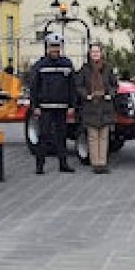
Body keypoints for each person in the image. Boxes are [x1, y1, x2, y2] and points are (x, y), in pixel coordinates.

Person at [29, 32, 76, 174]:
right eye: (52, 46)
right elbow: (34, 87)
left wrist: (72, 105)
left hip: (62, 107)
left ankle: (63, 164)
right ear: (47, 47)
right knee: (43, 136)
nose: (54, 50)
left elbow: (72, 87)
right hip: (45, 108)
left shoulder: (67, 64)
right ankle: (40, 165)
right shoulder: (40, 65)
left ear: (60, 47)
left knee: (61, 136)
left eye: (57, 46)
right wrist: (35, 106)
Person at [75, 42, 118, 174]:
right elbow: (79, 85)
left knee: (104, 136)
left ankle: (103, 163)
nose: (95, 54)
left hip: (105, 106)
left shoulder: (108, 68)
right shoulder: (84, 69)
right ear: (89, 54)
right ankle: (96, 164)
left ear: (101, 53)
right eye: (93, 52)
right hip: (91, 106)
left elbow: (114, 85)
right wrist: (85, 95)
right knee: (93, 137)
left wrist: (110, 94)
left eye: (97, 52)